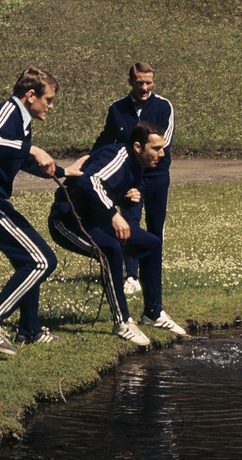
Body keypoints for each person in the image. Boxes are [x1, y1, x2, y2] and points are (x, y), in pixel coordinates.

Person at [0, 66, 82, 355]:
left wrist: (63, 171)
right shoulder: (6, 112)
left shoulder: (21, 121)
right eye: (48, 100)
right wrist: (32, 149)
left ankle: (30, 331)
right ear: (30, 95)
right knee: (42, 261)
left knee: (30, 259)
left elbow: (16, 158)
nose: (51, 106)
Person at [49, 121, 186, 347]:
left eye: (163, 147)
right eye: (156, 148)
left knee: (151, 244)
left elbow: (107, 187)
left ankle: (153, 313)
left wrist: (125, 196)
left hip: (95, 220)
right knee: (110, 251)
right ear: (138, 147)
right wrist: (114, 213)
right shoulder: (119, 155)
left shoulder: (138, 164)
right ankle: (122, 322)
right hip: (67, 221)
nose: (162, 154)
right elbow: (89, 181)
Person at [91, 62, 174, 297]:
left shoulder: (163, 106)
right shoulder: (117, 108)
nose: (145, 87)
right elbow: (106, 139)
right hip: (129, 175)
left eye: (149, 82)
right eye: (140, 83)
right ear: (131, 82)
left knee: (156, 224)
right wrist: (89, 160)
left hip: (156, 175)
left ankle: (152, 271)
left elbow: (163, 144)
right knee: (129, 221)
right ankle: (132, 275)